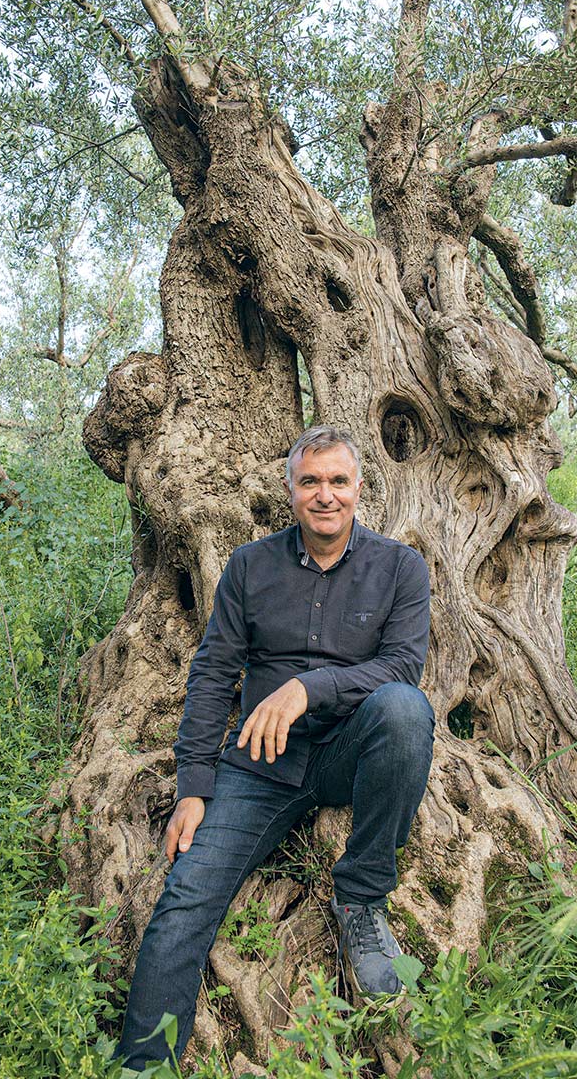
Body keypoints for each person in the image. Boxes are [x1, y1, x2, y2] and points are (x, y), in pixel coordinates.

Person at [116, 425, 434, 1070]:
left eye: (338, 481)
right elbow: (211, 675)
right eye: (310, 481)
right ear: (289, 491)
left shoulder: (400, 567)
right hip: (260, 765)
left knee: (405, 710)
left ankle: (362, 898)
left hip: (350, 752)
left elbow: (402, 668)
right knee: (185, 896)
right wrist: (194, 785)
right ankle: (144, 1064)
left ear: (359, 488)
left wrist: (309, 688)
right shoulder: (249, 566)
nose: (325, 496)